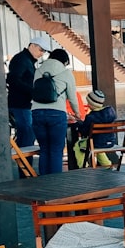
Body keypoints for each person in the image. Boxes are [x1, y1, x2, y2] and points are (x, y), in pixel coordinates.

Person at [31, 47, 79, 175]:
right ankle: (55, 184)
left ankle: (44, 183)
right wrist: (77, 113)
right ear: (64, 61)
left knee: (44, 149)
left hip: (36, 113)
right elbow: (72, 97)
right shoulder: (66, 73)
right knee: (56, 150)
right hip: (56, 113)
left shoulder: (38, 71)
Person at [6, 35, 51, 147]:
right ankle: (25, 162)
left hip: (21, 103)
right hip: (20, 104)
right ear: (32, 45)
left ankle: (23, 161)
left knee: (26, 134)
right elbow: (13, 79)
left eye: (44, 51)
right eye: (41, 50)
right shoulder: (22, 60)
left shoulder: (24, 60)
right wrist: (33, 91)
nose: (42, 53)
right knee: (28, 133)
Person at [74, 88, 118, 168]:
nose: (87, 104)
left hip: (97, 143)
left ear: (92, 104)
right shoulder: (110, 113)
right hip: (110, 142)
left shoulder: (91, 117)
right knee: (98, 146)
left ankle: (83, 167)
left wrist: (78, 122)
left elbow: (84, 131)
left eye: (88, 102)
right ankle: (107, 166)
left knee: (78, 145)